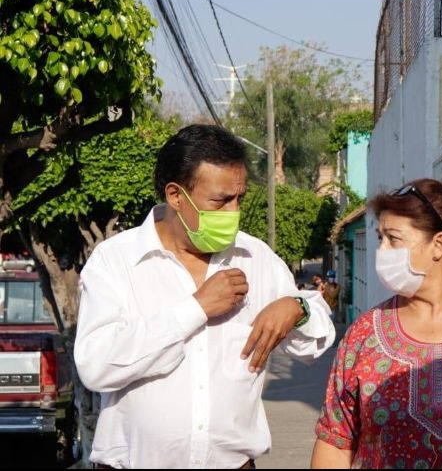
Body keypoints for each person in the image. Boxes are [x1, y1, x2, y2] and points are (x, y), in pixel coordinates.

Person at [74, 125, 336, 468]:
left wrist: (298, 308)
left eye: (239, 199)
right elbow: (95, 367)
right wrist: (195, 309)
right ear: (175, 195)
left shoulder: (255, 257)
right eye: (220, 201)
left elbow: (314, 345)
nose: (233, 213)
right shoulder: (116, 261)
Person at [311, 179, 442, 469]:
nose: (382, 250)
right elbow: (335, 440)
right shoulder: (365, 333)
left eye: (393, 239)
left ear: (438, 244)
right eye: (380, 238)